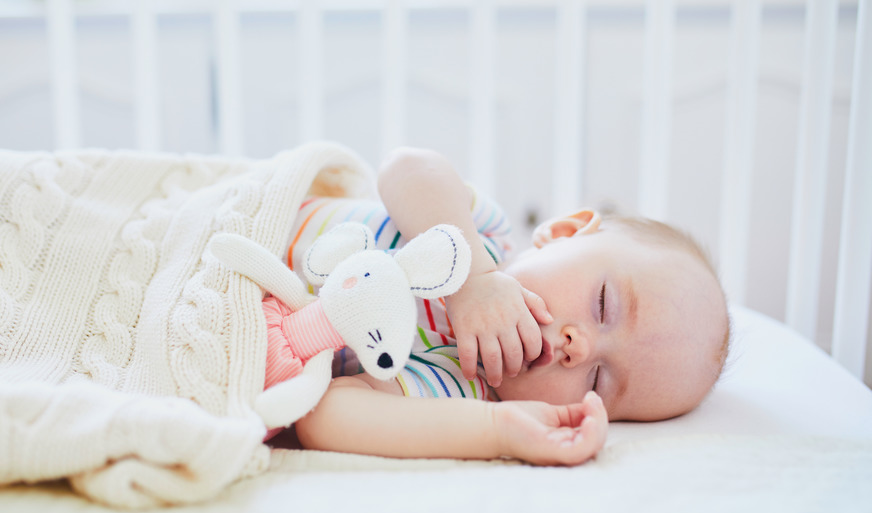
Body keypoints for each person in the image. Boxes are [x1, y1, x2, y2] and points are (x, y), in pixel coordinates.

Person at [279, 147, 730, 466]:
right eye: (603, 304)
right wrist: (471, 278)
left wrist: (497, 428)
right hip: (260, 226)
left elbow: (323, 417)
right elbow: (406, 167)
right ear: (563, 233)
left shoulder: (458, 387)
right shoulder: (481, 236)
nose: (581, 348)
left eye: (599, 381)